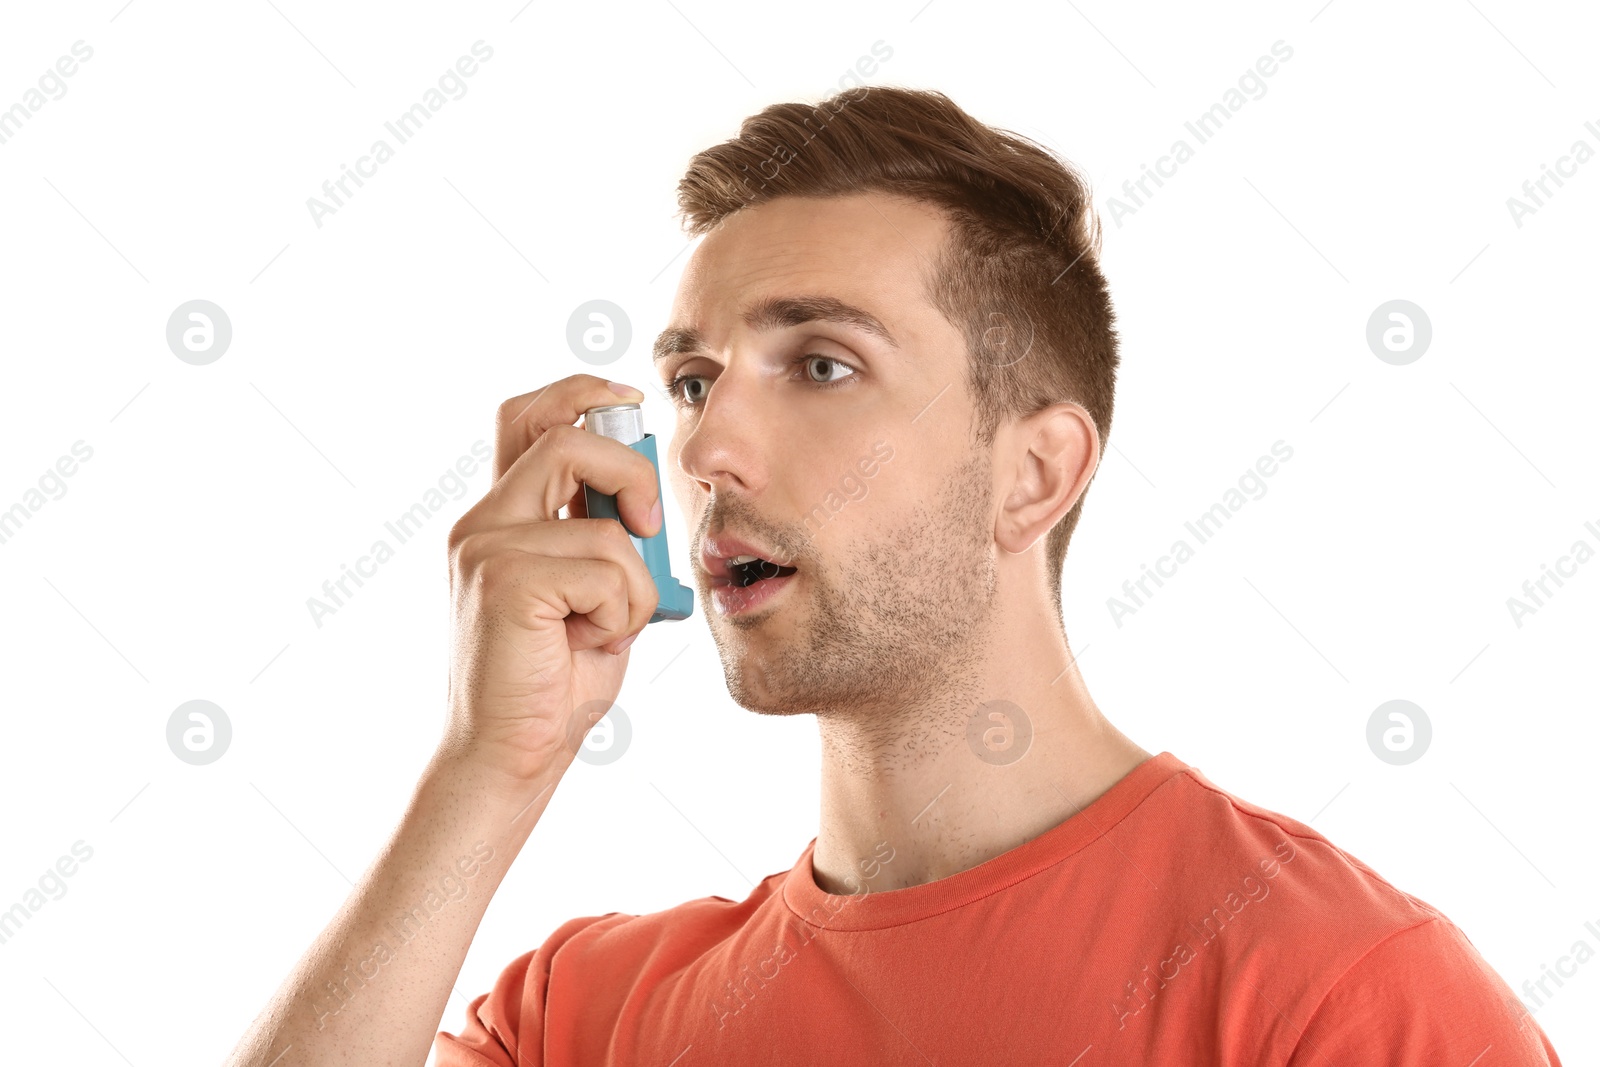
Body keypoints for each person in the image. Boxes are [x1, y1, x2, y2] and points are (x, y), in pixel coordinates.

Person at [225, 87, 1563, 1066]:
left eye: (821, 364)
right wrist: (488, 768)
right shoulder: (585, 1020)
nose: (710, 445)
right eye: (691, 380)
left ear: (1033, 473)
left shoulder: (1339, 999)